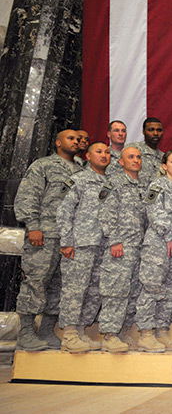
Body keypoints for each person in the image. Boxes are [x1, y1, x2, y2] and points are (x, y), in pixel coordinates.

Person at [14, 129, 82, 351]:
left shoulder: (81, 170)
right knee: (36, 281)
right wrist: (33, 226)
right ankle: (25, 332)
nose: (75, 142)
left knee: (60, 285)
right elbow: (28, 196)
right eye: (70, 139)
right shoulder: (43, 165)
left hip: (69, 238)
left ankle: (46, 330)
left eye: (77, 139)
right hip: (44, 235)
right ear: (58, 142)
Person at [57, 142, 112, 352]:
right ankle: (69, 334)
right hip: (80, 243)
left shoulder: (110, 183)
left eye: (107, 152)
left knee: (95, 290)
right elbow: (64, 212)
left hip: (103, 245)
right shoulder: (77, 180)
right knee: (75, 288)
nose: (104, 155)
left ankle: (81, 331)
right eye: (99, 152)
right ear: (88, 156)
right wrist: (66, 241)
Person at [97, 146, 147, 352]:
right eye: (131, 157)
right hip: (121, 247)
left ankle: (124, 331)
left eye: (138, 157)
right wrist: (115, 240)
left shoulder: (143, 186)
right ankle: (109, 334)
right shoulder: (114, 184)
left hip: (139, 247)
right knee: (115, 290)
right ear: (121, 162)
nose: (136, 160)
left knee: (133, 291)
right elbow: (106, 213)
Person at [135, 151, 172, 352]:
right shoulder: (157, 186)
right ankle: (146, 333)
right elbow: (155, 214)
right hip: (158, 245)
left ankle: (162, 330)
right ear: (164, 166)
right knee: (152, 288)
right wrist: (169, 238)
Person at [126, 117, 164, 187]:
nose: (155, 133)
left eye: (159, 130)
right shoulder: (132, 149)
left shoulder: (164, 157)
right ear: (143, 132)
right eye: (151, 130)